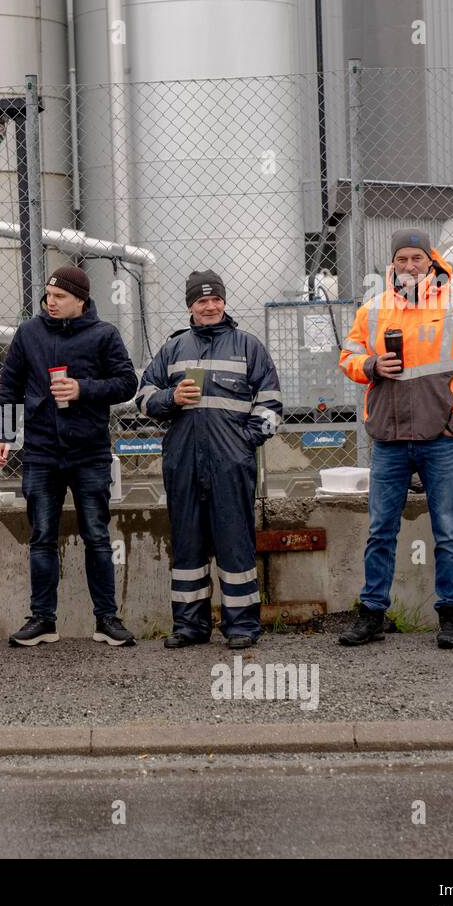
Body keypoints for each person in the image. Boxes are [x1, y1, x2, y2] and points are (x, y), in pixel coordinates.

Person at [337, 229, 453, 649]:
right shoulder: (373, 310)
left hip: (439, 439)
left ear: (431, 261)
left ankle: (450, 615)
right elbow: (347, 358)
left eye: (417, 259)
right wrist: (370, 365)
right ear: (393, 262)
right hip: (388, 439)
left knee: (447, 531)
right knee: (380, 531)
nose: (410, 266)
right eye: (402, 259)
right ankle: (372, 614)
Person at [134, 270, 283, 649]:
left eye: (215, 299)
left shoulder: (248, 347)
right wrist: (170, 399)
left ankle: (242, 627)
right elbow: (142, 397)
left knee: (235, 543)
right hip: (183, 463)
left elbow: (271, 407)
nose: (210, 306)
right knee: (187, 546)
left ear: (224, 302)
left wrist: (241, 444)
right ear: (190, 306)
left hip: (230, 465)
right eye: (202, 301)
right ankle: (189, 626)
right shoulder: (173, 349)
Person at [0, 265, 139, 647]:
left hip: (89, 452)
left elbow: (127, 384)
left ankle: (107, 619)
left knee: (96, 536)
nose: (50, 302)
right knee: (41, 537)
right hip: (41, 452)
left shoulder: (104, 335)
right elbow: (9, 386)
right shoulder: (29, 333)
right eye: (48, 295)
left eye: (59, 297)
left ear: (81, 300)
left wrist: (82, 389)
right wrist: (4, 435)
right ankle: (43, 619)